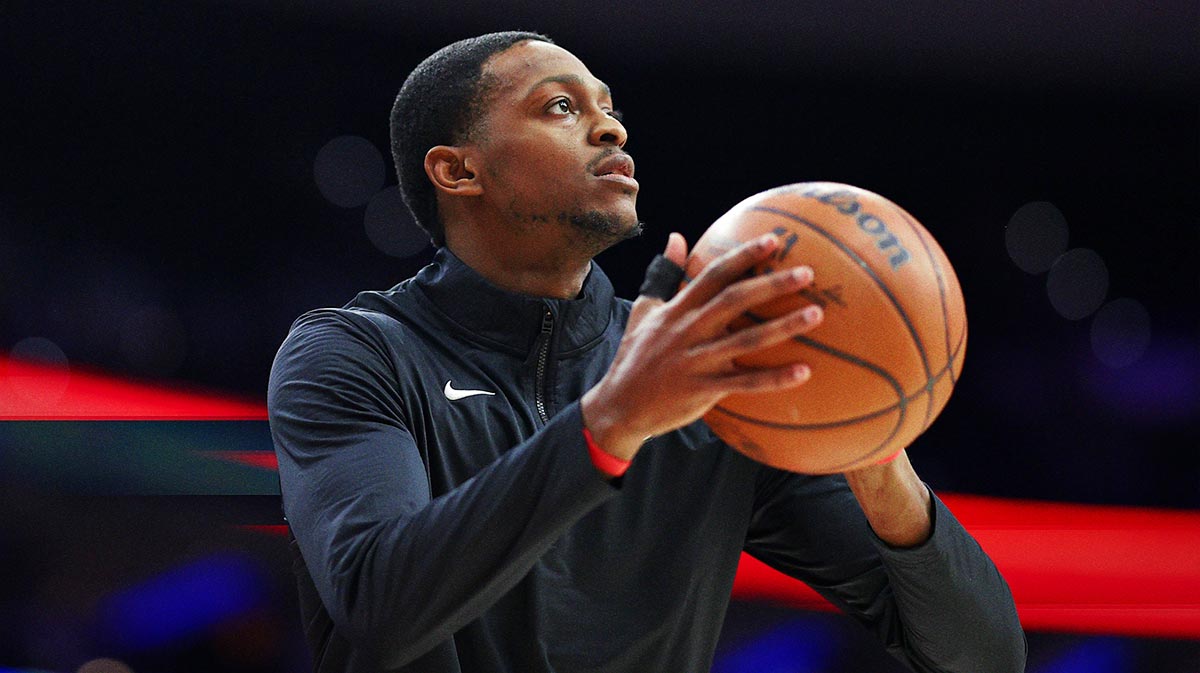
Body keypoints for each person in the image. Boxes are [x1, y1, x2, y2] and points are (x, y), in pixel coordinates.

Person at [268, 31, 1026, 673]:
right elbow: (376, 602)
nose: (611, 129)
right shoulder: (354, 353)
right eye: (561, 106)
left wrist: (871, 439)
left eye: (609, 108)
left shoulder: (714, 380)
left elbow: (983, 656)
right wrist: (613, 420)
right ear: (458, 169)